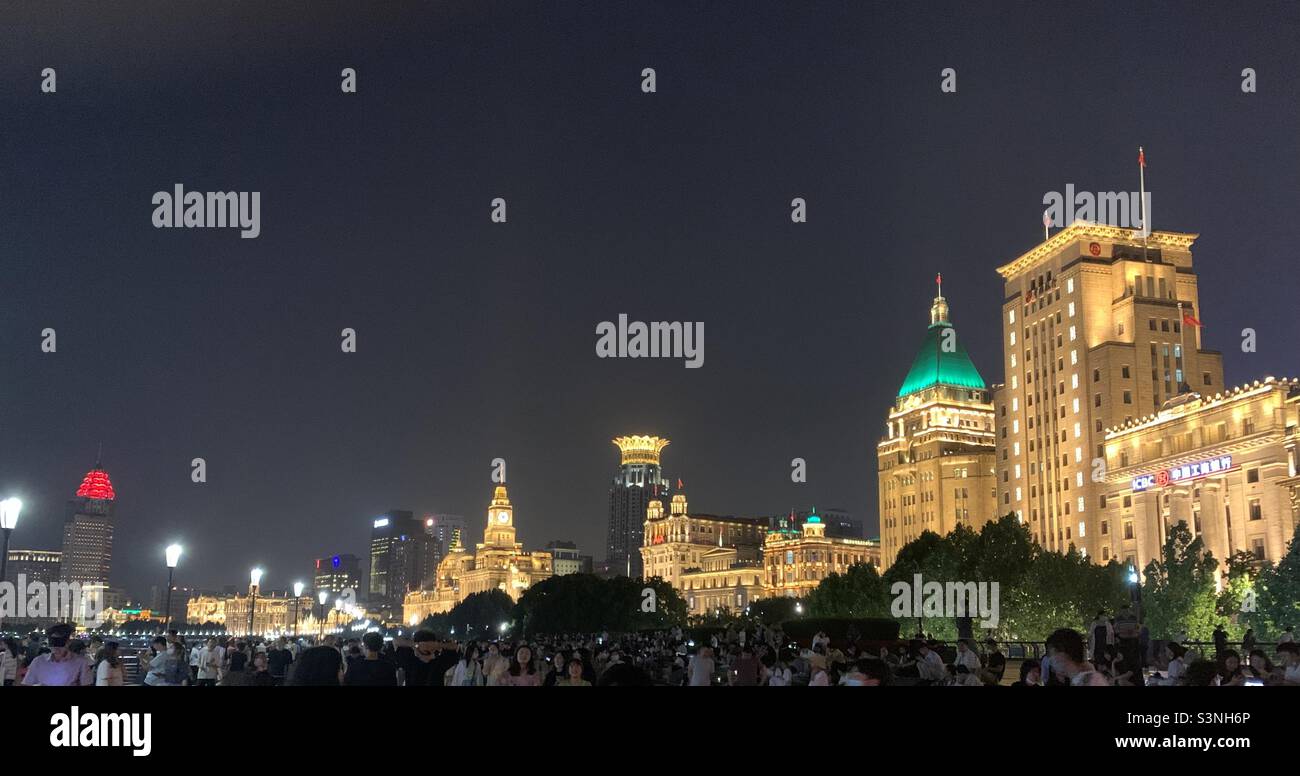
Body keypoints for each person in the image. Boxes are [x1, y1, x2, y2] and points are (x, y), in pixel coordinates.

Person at [22, 624, 90, 685]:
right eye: (53, 644)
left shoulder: (81, 662)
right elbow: (27, 683)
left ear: (68, 642)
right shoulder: (38, 661)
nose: (56, 648)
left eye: (60, 643)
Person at [393, 630, 458, 686]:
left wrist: (416, 645)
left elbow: (395, 642)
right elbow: (454, 646)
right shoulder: (441, 662)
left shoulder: (409, 660)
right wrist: (437, 645)